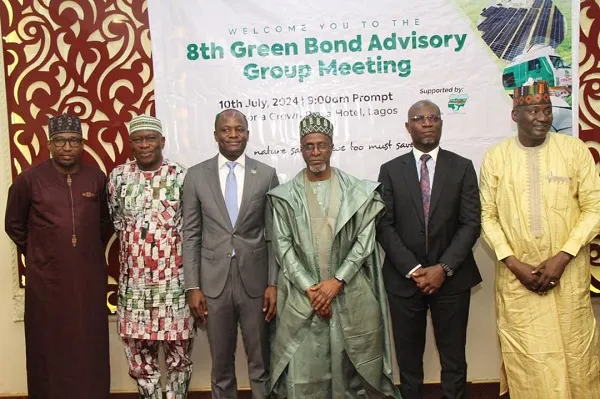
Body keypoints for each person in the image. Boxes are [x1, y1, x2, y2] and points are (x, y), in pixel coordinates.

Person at [479, 80, 600, 398]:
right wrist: (513, 263)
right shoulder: (496, 158)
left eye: (547, 110)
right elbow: (486, 217)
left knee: (576, 356)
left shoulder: (573, 151)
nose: (542, 117)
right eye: (533, 110)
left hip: (568, 277)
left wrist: (563, 256)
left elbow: (594, 208)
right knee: (529, 363)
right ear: (515, 114)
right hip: (519, 282)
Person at [267, 113, 400, 398]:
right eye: (309, 146)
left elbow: (364, 243)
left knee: (351, 377)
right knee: (304, 375)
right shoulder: (284, 196)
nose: (316, 153)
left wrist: (336, 282)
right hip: (303, 299)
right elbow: (283, 247)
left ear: (331, 146)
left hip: (349, 294)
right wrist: (313, 290)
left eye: (322, 145)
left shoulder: (359, 192)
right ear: (301, 149)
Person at [376, 100, 481, 399]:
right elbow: (384, 225)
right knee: (408, 363)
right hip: (403, 280)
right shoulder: (390, 170)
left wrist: (442, 268)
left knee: (454, 359)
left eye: (433, 117)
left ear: (441, 123)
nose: (426, 123)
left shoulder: (462, 167)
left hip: (453, 280)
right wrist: (413, 269)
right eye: (419, 118)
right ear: (407, 126)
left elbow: (471, 224)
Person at [5, 113, 111, 399]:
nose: (67, 147)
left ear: (82, 144)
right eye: (61, 141)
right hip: (46, 284)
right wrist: (43, 251)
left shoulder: (96, 178)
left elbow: (105, 223)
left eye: (74, 141)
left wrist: (82, 250)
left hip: (87, 280)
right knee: (49, 346)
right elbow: (13, 224)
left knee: (88, 345)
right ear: (50, 143)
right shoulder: (29, 180)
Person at [182, 109, 279, 398]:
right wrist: (192, 285)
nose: (233, 134)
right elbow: (191, 234)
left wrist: (273, 283)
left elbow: (273, 235)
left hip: (256, 283)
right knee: (221, 365)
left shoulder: (266, 174)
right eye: (226, 129)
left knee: (261, 362)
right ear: (216, 135)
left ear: (248, 134)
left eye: (239, 129)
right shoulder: (196, 175)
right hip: (213, 285)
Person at [107, 115, 195, 399]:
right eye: (138, 139)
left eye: (150, 138)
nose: (145, 145)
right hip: (134, 289)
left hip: (175, 288)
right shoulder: (118, 177)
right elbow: (117, 222)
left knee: (179, 361)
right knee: (140, 363)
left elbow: (192, 229)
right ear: (130, 143)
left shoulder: (181, 176)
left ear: (162, 142)